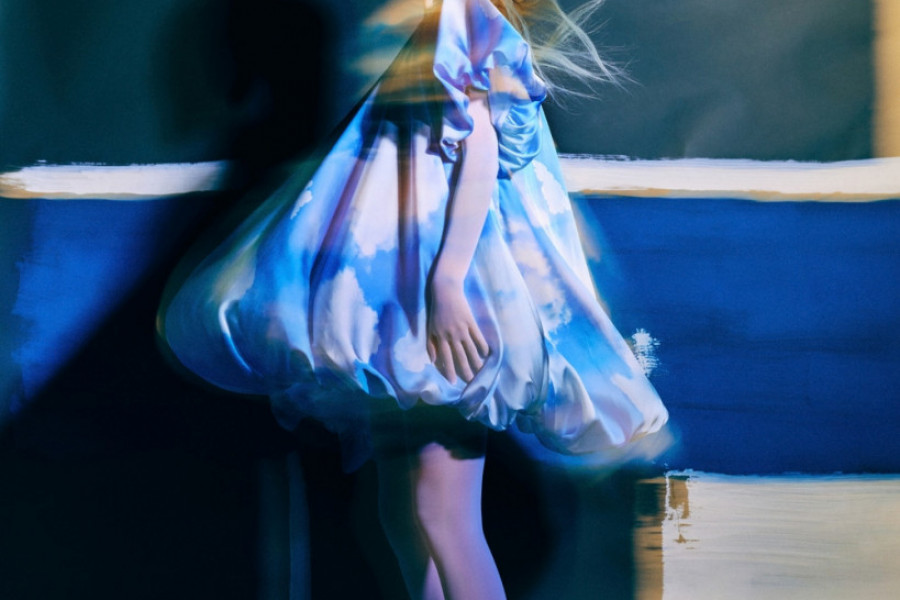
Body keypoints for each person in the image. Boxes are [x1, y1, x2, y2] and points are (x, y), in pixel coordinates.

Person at [158, 0, 668, 598]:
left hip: (439, 298)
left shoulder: (463, 14)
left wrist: (447, 282)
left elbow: (478, 149)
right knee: (408, 514)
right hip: (406, 294)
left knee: (440, 517)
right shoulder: (432, 19)